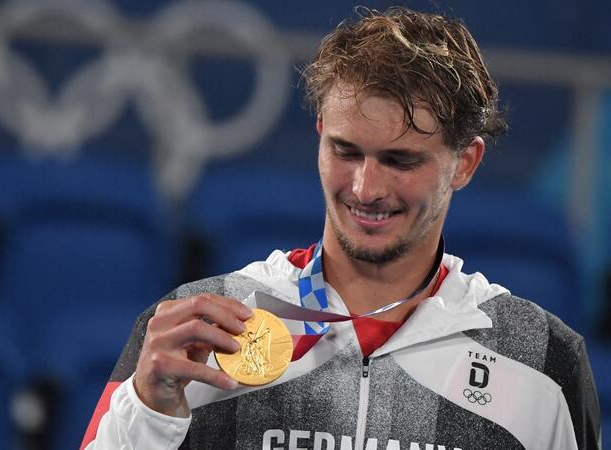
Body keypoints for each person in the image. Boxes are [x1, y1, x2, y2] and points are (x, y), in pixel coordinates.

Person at [81, 7, 601, 450]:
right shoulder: (198, 332)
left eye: (400, 160)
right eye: (345, 151)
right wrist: (148, 409)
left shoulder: (540, 360)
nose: (365, 188)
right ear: (319, 136)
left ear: (465, 163)